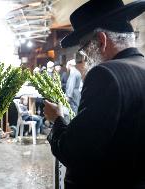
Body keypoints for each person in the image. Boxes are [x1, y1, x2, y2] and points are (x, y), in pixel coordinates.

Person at [44, 0, 145, 188]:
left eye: (84, 48)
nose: (86, 57)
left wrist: (56, 119)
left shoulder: (106, 74)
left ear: (101, 40)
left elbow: (75, 152)